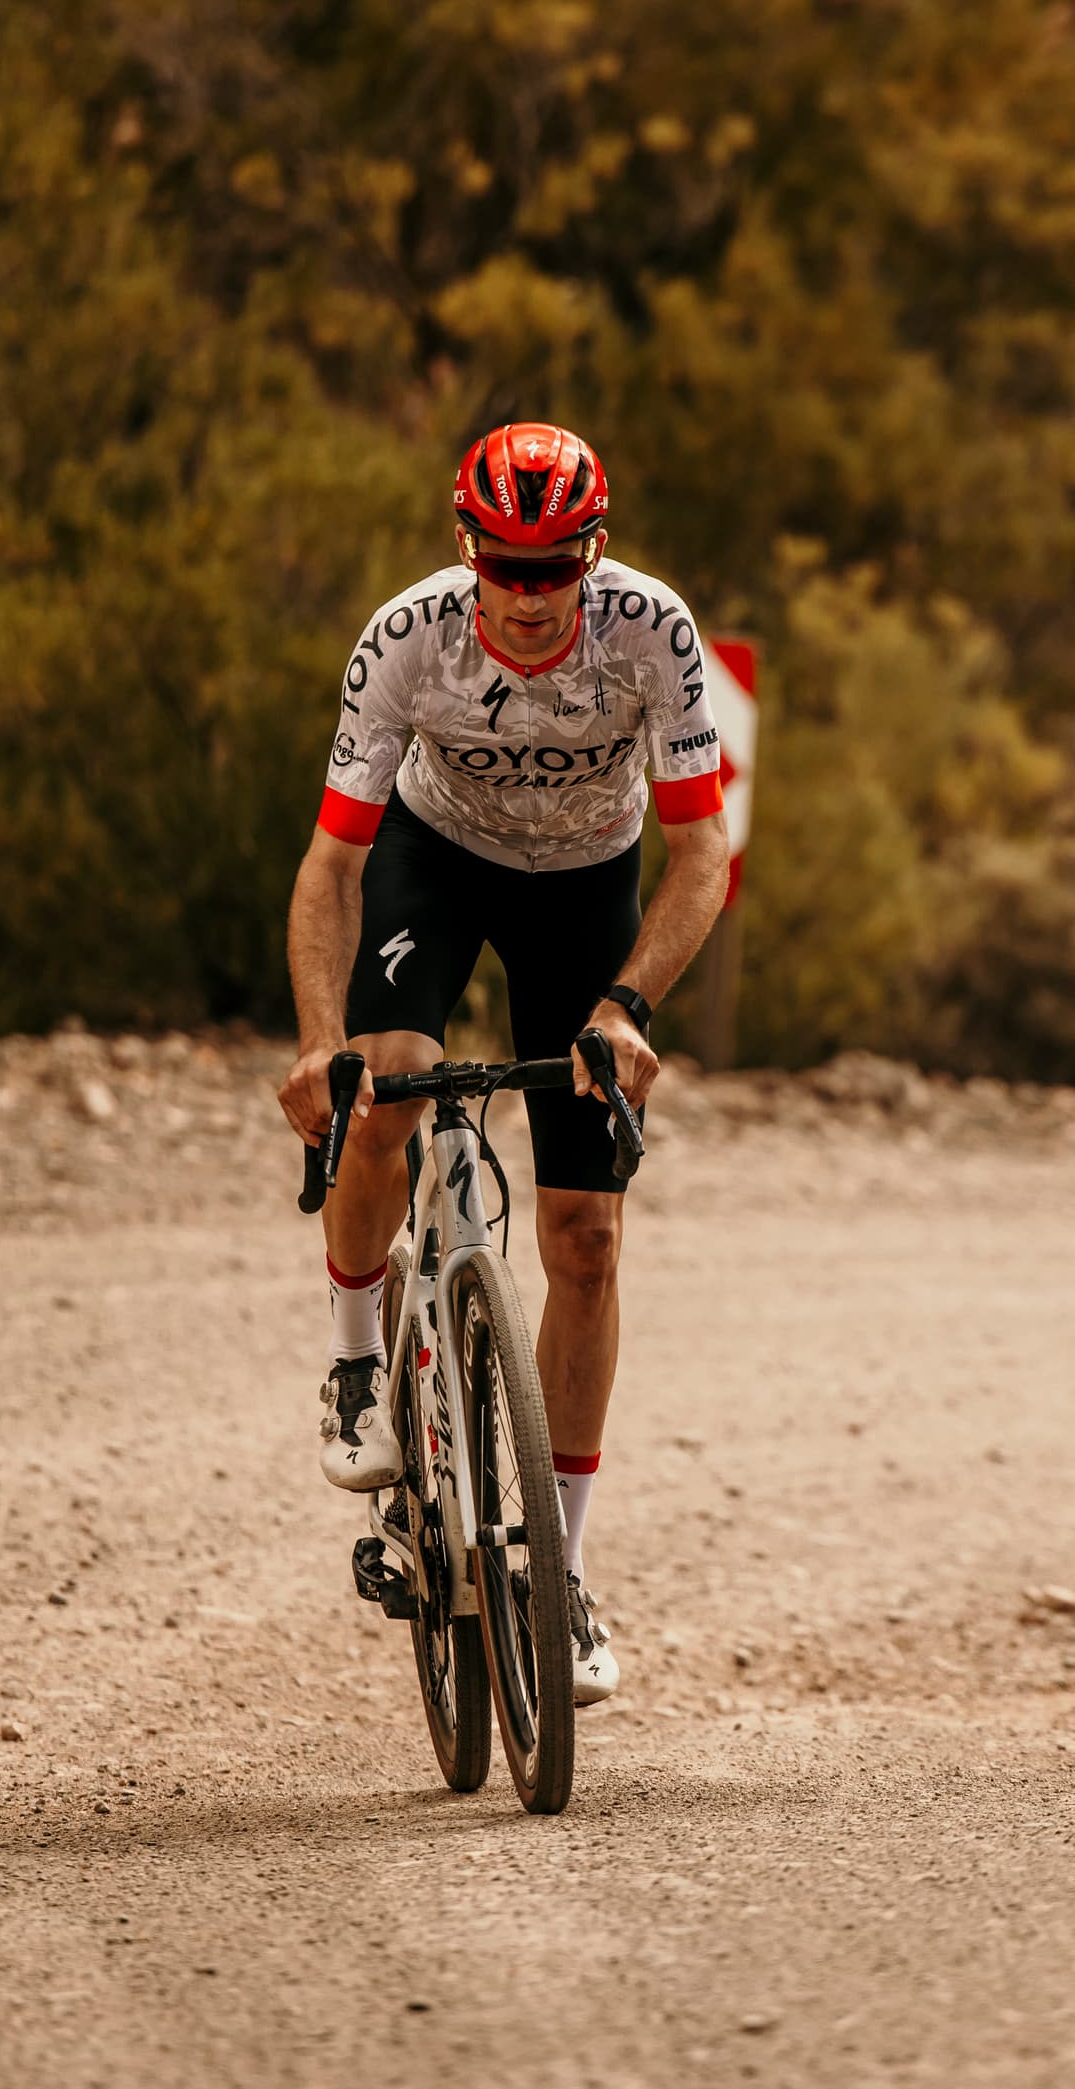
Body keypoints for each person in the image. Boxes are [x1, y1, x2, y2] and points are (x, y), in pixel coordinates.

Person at [275, 421, 732, 1707]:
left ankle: (560, 1577)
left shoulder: (651, 630)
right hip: (441, 856)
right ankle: (360, 1359)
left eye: (557, 566)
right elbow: (333, 866)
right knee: (383, 1090)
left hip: (588, 881)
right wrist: (320, 1043)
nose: (532, 597)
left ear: (595, 548)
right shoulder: (408, 637)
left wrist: (630, 1004)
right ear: (465, 545)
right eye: (507, 566)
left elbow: (702, 856)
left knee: (585, 1238)